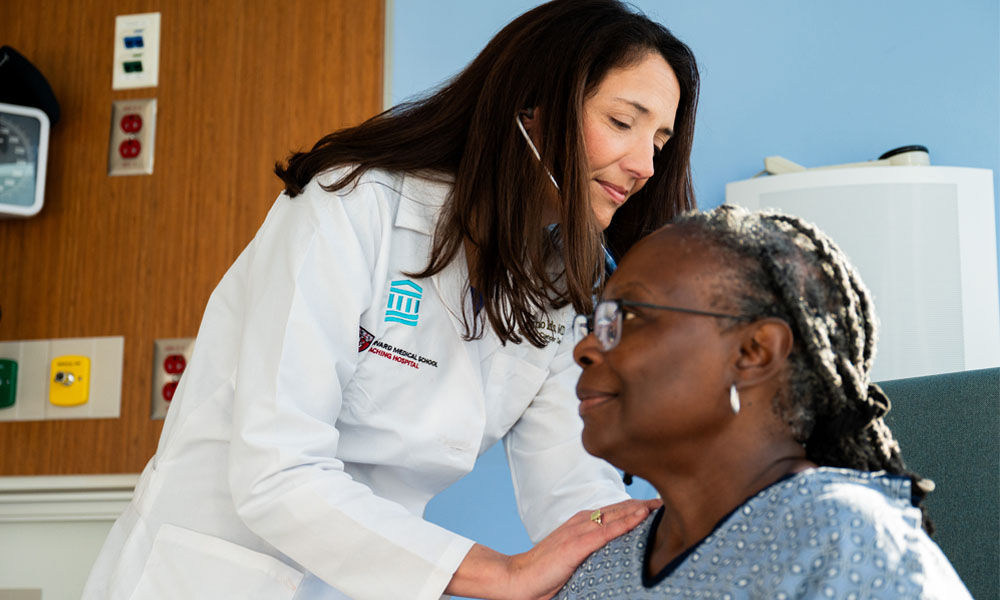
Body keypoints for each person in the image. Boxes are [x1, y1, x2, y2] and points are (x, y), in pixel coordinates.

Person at [83, 1, 700, 599]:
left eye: (661, 140)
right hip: (213, 575)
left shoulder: (558, 282)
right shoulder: (352, 205)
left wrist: (663, 546)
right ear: (531, 110)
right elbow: (278, 470)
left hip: (370, 579)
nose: (646, 164)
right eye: (623, 122)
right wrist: (500, 574)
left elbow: (568, 481)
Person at [560, 204, 973, 598]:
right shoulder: (599, 570)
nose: (586, 348)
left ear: (754, 352)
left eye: (626, 317)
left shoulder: (847, 540)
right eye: (595, 323)